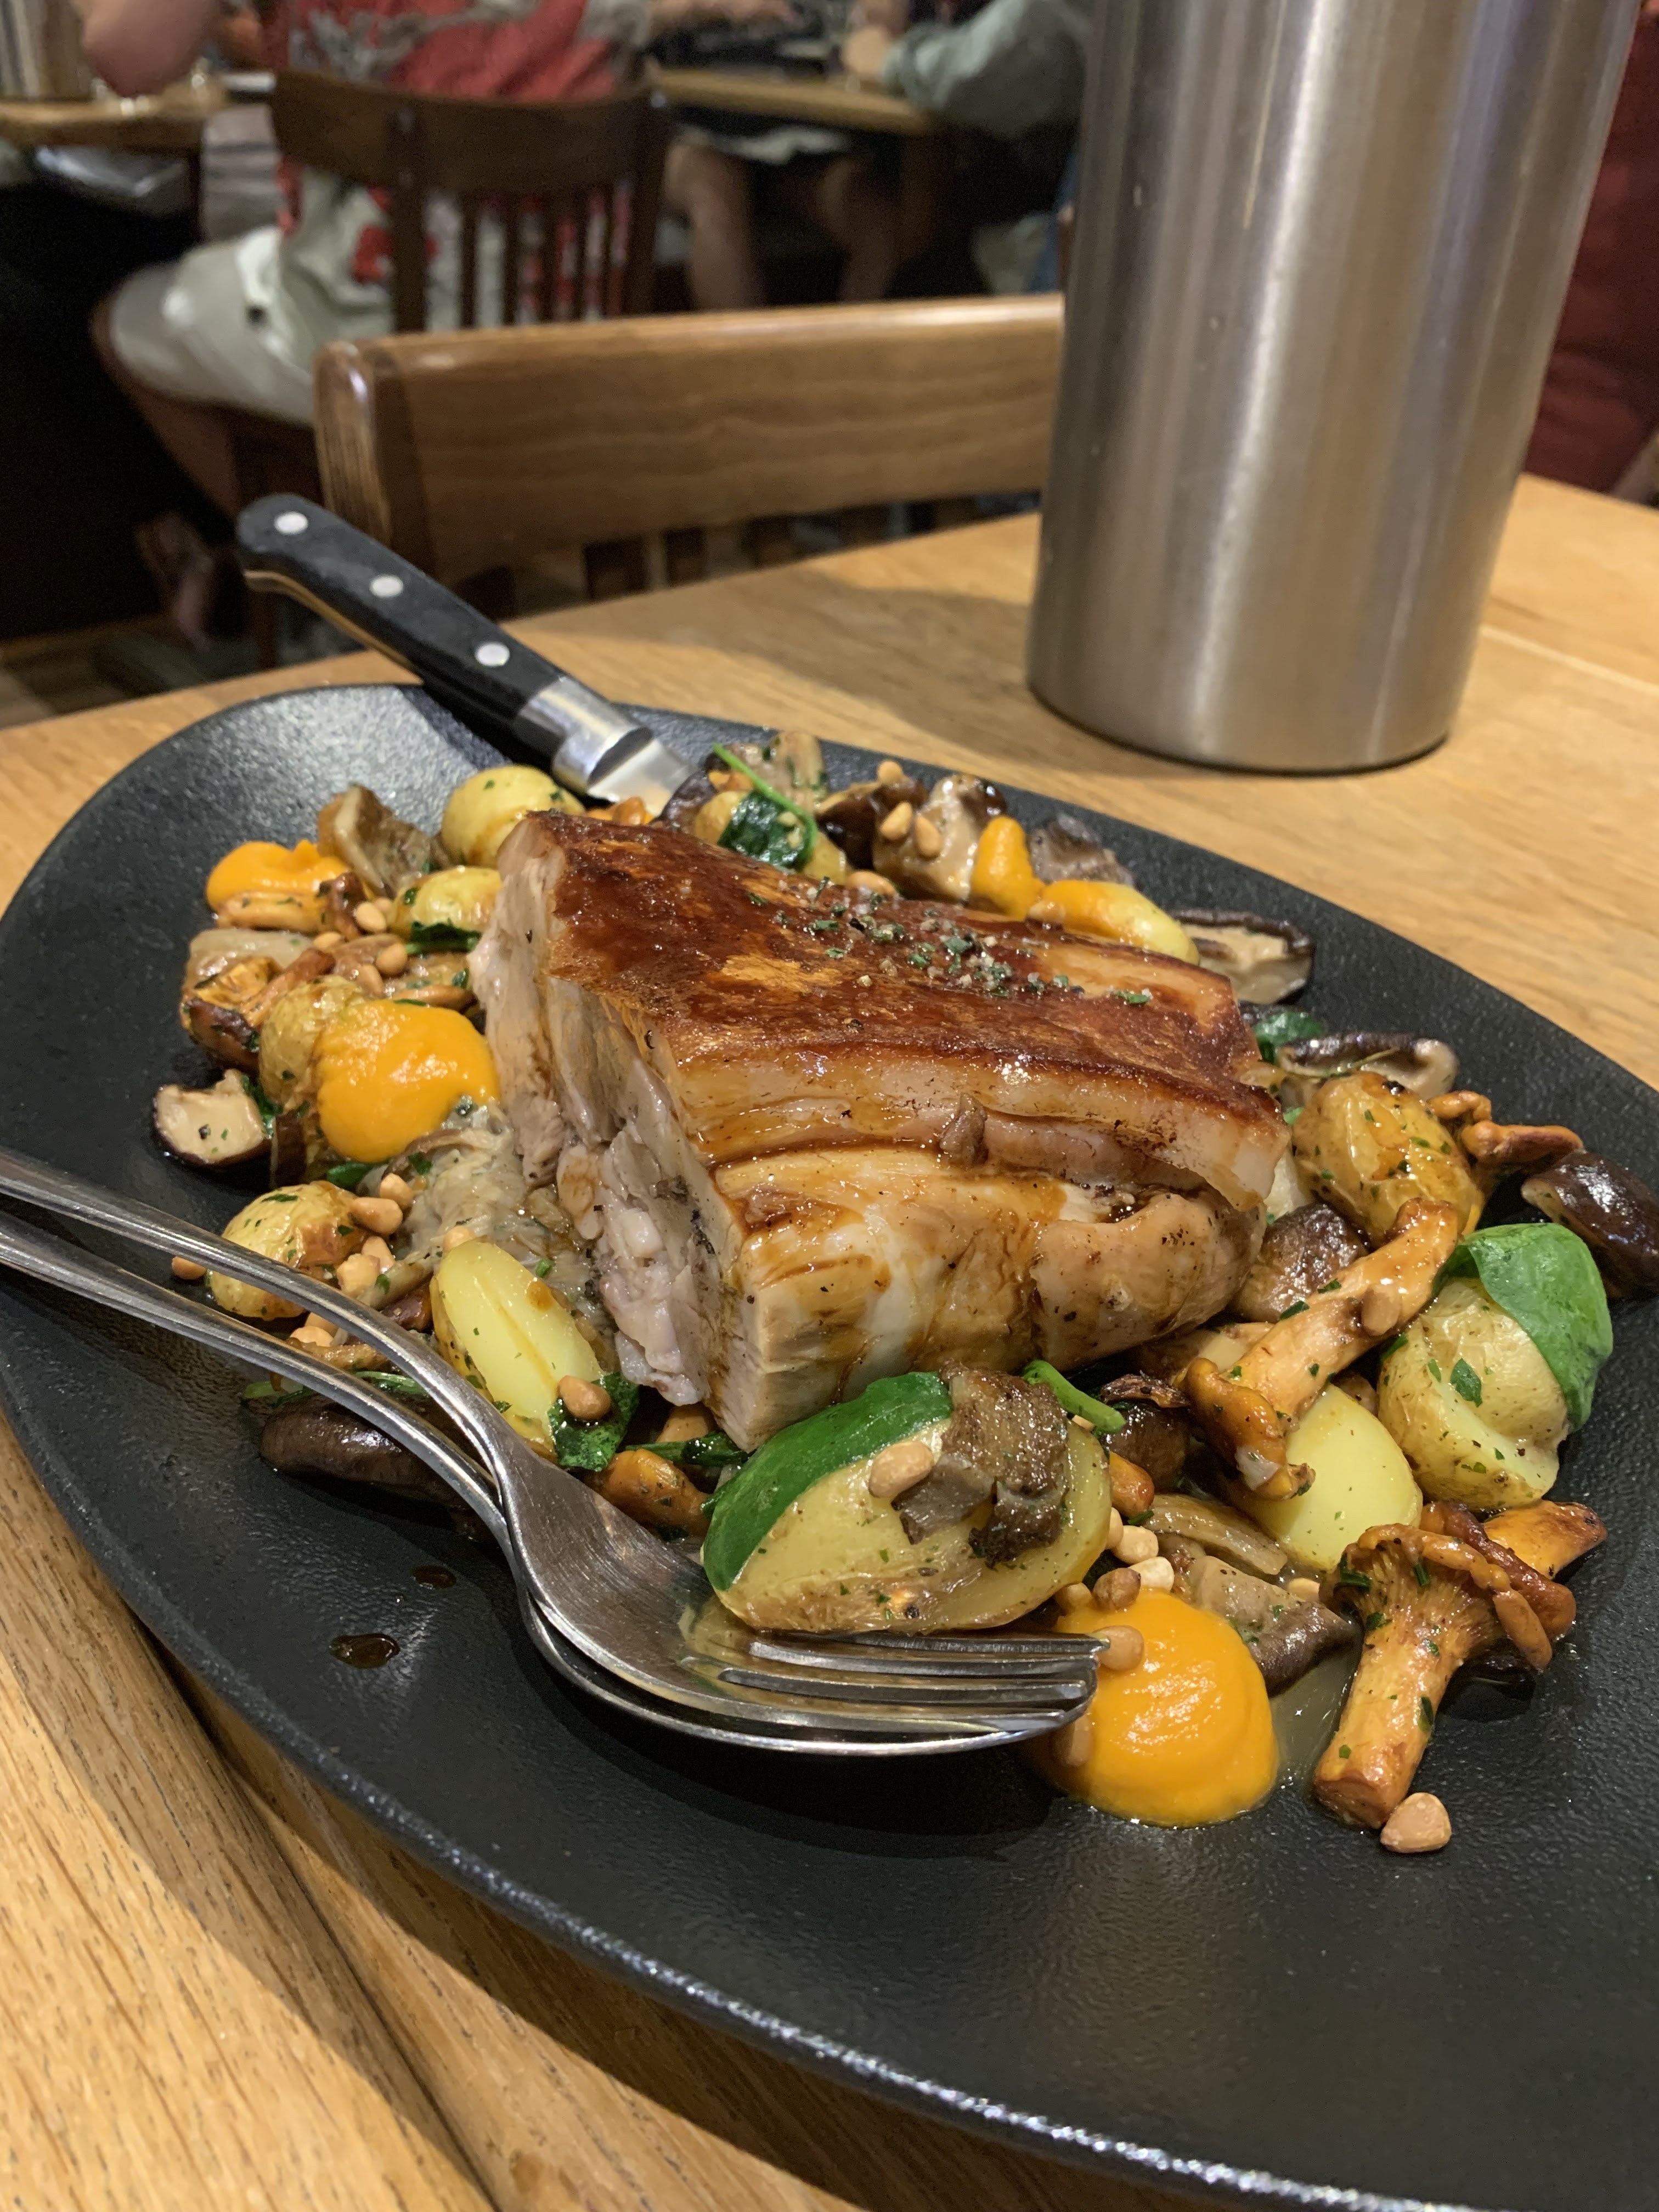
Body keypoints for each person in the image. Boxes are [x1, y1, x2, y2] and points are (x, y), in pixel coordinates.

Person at [84, 0, 647, 522]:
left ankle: (332, 570)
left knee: (122, 324)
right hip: (581, 321)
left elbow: (128, 57)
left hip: (376, 342)